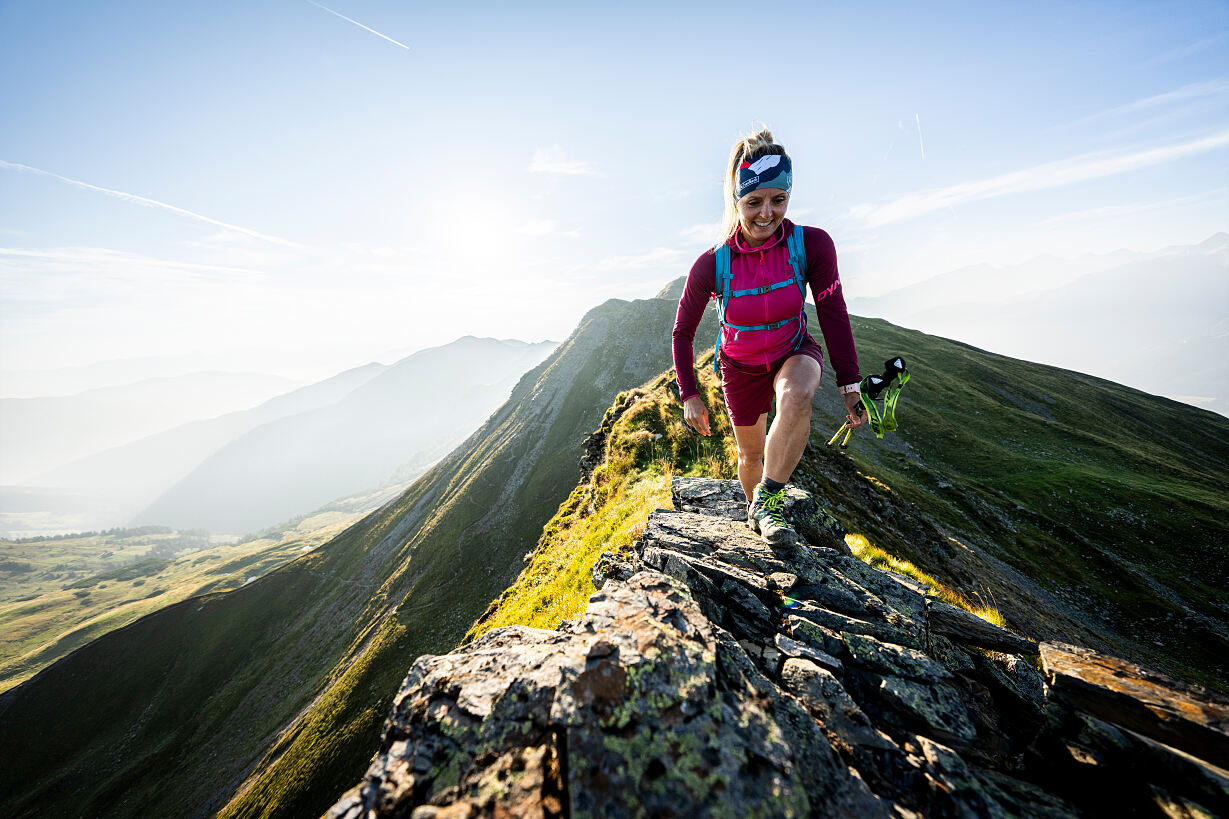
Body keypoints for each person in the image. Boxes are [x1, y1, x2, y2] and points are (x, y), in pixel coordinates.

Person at [672, 128, 865, 545]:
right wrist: (689, 393)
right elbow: (682, 332)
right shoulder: (712, 264)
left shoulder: (811, 244)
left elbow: (833, 311)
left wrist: (850, 384)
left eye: (779, 200)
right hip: (739, 367)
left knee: (796, 396)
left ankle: (768, 501)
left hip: (793, 350)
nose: (766, 213)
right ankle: (760, 518)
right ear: (736, 201)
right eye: (754, 202)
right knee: (750, 456)